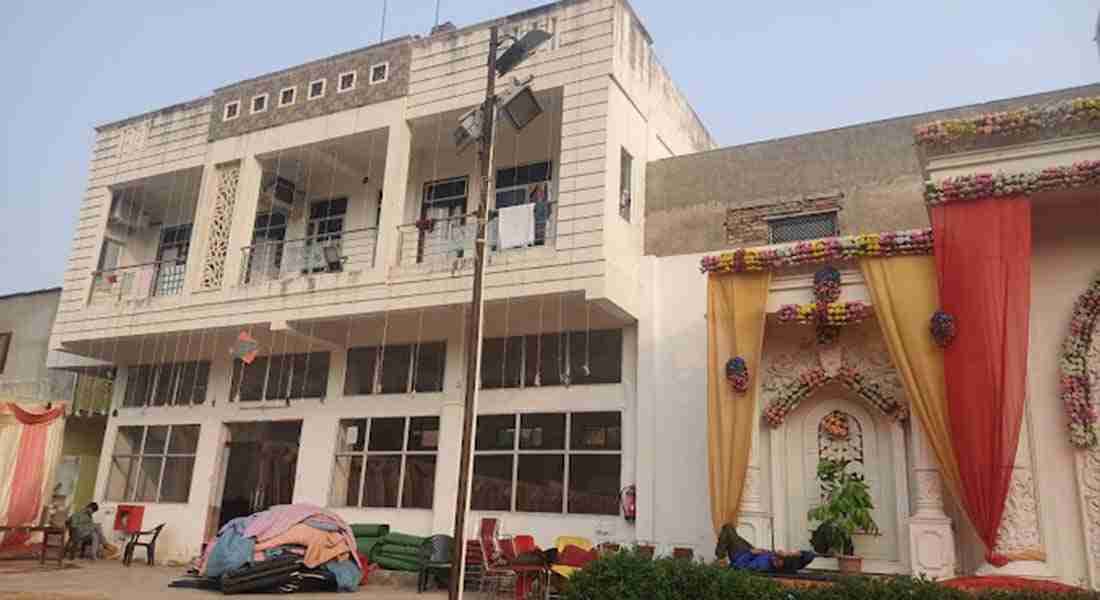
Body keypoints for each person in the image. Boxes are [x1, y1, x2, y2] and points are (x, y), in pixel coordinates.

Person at [715, 524, 814, 574]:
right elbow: (810, 555)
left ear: (779, 565)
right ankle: (721, 555)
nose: (778, 553)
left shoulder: (762, 566)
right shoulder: (788, 563)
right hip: (754, 552)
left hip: (742, 555)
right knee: (730, 533)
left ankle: (721, 558)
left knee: (728, 529)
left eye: (778, 558)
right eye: (779, 554)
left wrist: (751, 553)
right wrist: (797, 553)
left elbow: (738, 566)